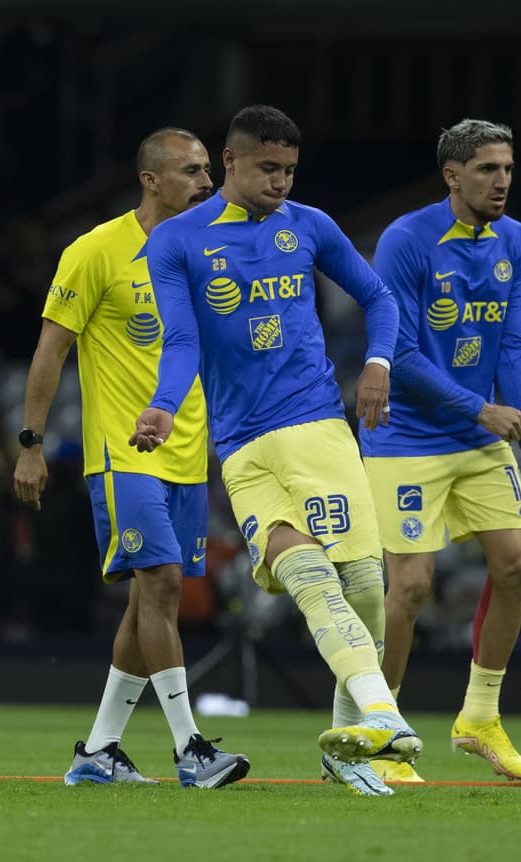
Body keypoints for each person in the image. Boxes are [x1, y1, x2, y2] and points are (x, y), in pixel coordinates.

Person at [131, 105, 418, 797]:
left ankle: (352, 740)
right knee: (308, 578)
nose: (281, 181)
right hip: (240, 446)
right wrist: (165, 405)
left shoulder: (309, 226)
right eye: (268, 168)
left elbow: (379, 298)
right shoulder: (176, 241)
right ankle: (382, 716)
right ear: (229, 161)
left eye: (289, 169)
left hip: (315, 427)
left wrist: (377, 363)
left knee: (363, 587)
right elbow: (182, 340)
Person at [13, 127, 249, 789]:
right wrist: (30, 444)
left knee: (148, 601)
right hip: (124, 452)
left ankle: (98, 750)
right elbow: (51, 349)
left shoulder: (212, 248)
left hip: (188, 456)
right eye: (191, 170)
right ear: (150, 179)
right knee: (164, 584)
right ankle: (191, 749)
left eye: (207, 170)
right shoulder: (96, 250)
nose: (206, 181)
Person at [359, 119, 521, 783]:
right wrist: (481, 408)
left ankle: (479, 716)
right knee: (411, 586)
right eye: (486, 170)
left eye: (508, 169)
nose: (502, 181)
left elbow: (512, 345)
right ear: (452, 175)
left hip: (479, 438)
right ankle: (381, 734)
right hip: (406, 438)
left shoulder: (516, 239)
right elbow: (400, 353)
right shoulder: (406, 240)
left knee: (518, 564)